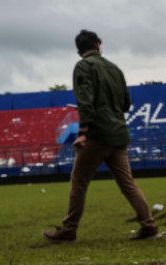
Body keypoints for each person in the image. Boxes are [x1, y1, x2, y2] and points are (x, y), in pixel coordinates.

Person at [44, 30, 159, 242]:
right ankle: (148, 225)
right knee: (128, 183)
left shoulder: (83, 66)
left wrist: (83, 132)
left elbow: (85, 100)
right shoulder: (114, 68)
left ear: (79, 50)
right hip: (118, 134)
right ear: (99, 44)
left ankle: (69, 230)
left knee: (79, 181)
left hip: (97, 135)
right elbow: (126, 104)